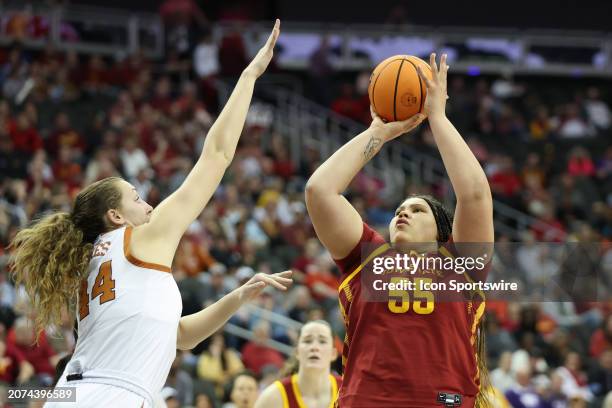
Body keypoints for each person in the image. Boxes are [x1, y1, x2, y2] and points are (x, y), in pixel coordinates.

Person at [9, 20, 290, 408]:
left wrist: (238, 297)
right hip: (110, 396)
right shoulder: (140, 239)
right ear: (116, 216)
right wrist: (248, 75)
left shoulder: (92, 263)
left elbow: (180, 337)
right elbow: (218, 156)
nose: (150, 206)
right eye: (137, 198)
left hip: (78, 394)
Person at [305, 53, 493, 407]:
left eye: (416, 209)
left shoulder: (461, 264)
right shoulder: (367, 257)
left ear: (441, 230)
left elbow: (475, 193)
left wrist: (437, 117)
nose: (402, 214)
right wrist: (378, 131)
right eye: (398, 211)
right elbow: (320, 191)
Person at [254, 320, 341, 408]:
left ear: (333, 353)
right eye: (307, 341)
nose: (314, 347)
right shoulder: (273, 397)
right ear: (297, 352)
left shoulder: (348, 390)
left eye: (322, 341)